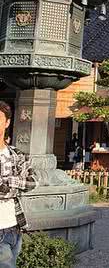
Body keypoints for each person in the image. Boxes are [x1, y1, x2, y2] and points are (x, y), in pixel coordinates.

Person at [0, 101, 37, 268]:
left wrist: (7, 183)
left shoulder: (16, 154)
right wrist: (15, 184)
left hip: (14, 225)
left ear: (7, 122)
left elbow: (33, 182)